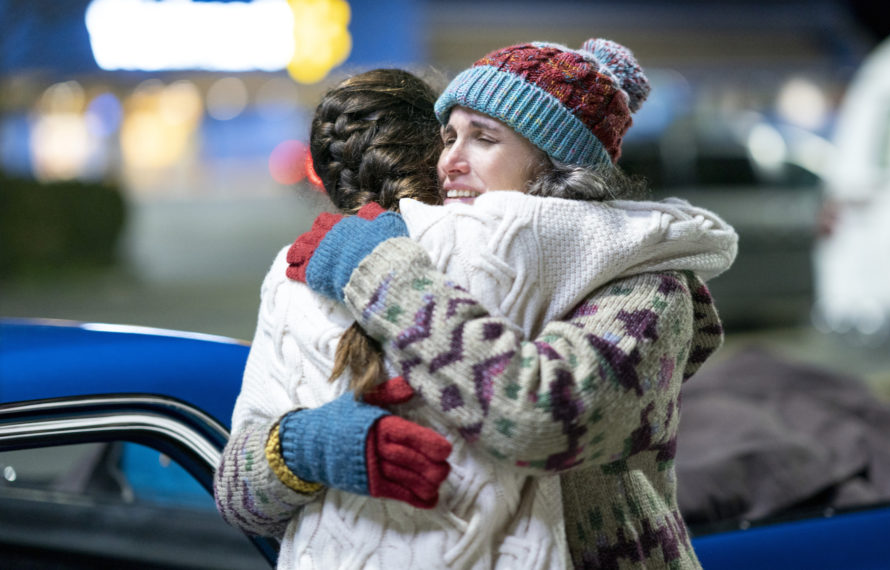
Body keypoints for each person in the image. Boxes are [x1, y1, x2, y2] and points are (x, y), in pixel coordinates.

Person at [277, 40, 738, 569]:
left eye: (483, 138)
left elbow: (541, 417)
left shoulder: (647, 286)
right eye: (448, 136)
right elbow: (240, 495)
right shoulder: (422, 253)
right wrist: (296, 447)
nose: (449, 159)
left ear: (554, 160)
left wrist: (377, 275)